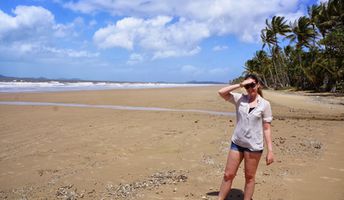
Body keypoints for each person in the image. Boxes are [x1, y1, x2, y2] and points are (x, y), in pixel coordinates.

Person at [217, 74, 274, 200]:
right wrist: (240, 84)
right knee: (228, 175)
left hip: (253, 146)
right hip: (237, 143)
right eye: (247, 86)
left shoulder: (265, 104)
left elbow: (266, 128)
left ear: (258, 85)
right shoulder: (239, 99)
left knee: (249, 177)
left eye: (252, 85)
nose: (250, 88)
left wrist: (270, 151)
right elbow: (221, 92)